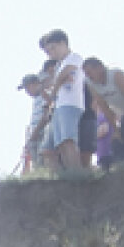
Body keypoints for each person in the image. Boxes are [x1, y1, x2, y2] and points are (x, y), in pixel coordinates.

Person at [39, 30, 84, 171]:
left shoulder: (74, 57)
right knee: (60, 144)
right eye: (48, 51)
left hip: (70, 104)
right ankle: (69, 174)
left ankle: (77, 173)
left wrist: (56, 87)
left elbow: (63, 75)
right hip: (60, 105)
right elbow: (58, 78)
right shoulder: (60, 64)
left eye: (53, 48)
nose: (51, 53)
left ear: (63, 43)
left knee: (68, 140)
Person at [19, 72, 51, 171]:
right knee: (36, 163)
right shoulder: (36, 99)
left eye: (28, 87)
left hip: (42, 133)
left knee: (42, 161)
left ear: (35, 84)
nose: (27, 91)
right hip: (35, 134)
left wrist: (35, 133)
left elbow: (46, 116)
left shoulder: (45, 95)